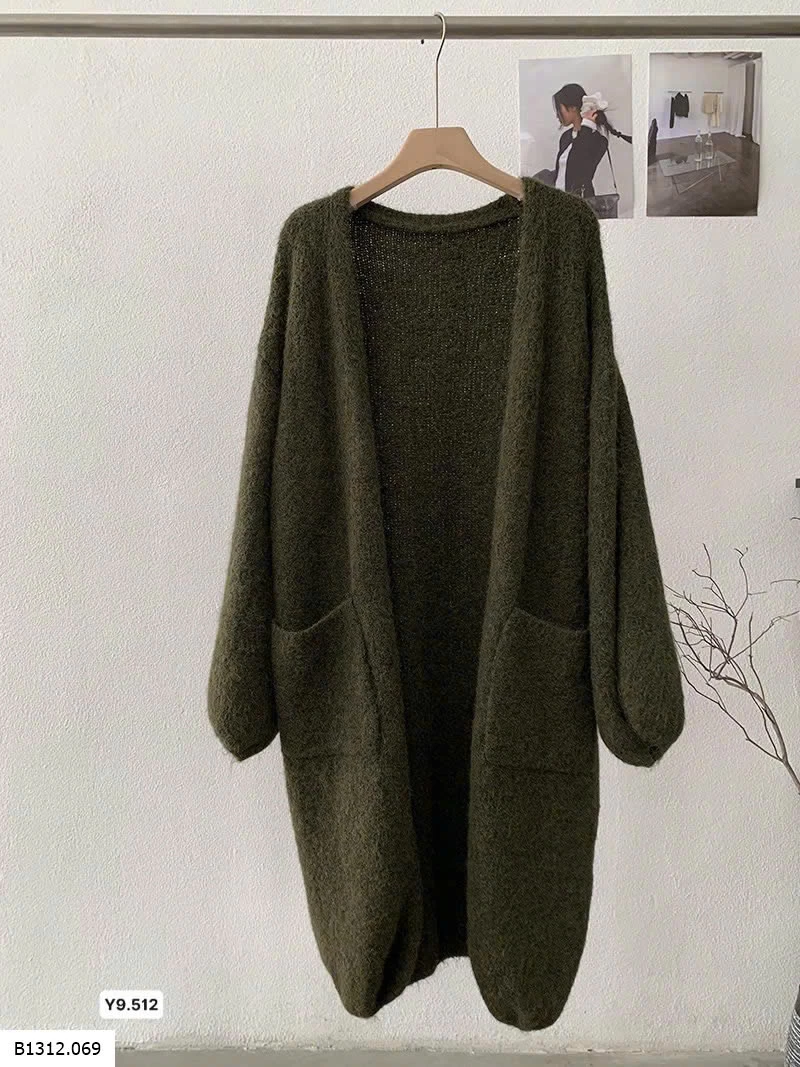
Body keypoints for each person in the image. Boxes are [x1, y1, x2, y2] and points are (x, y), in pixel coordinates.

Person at [534, 84, 632, 199]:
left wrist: (587, 126)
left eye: (559, 109)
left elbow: (580, 166)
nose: (557, 115)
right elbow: (564, 172)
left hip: (580, 202)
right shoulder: (566, 137)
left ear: (573, 108)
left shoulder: (597, 140)